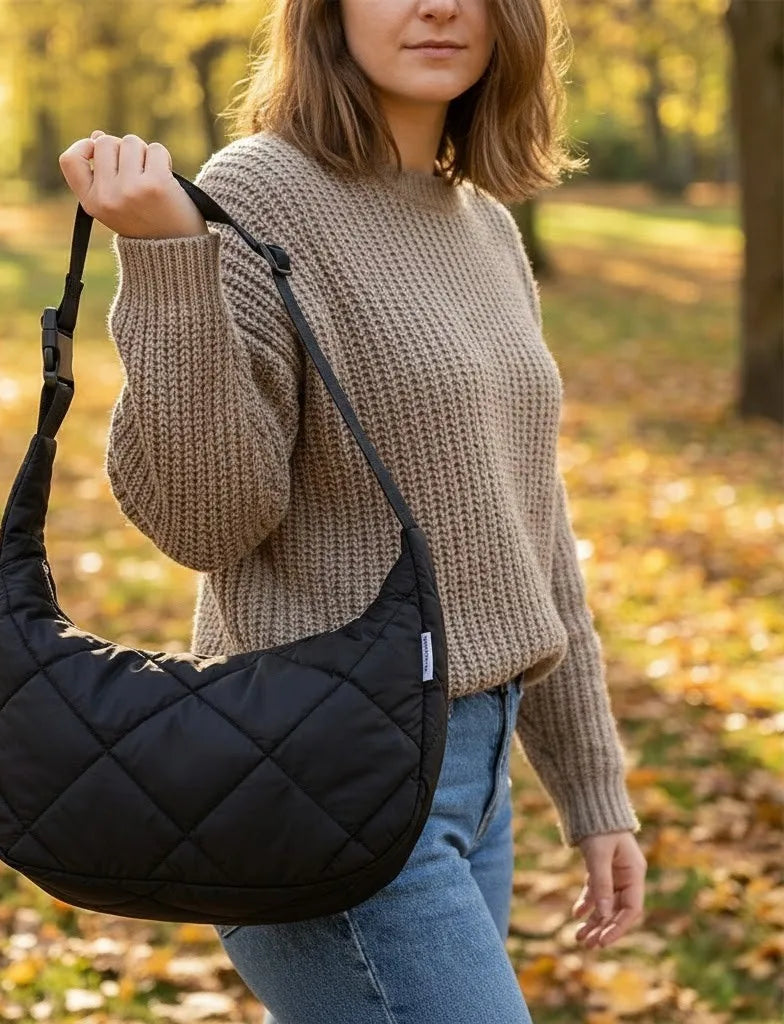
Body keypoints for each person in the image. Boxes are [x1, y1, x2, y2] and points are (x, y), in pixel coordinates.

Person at [58, 0, 647, 1019]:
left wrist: (592, 789)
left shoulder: (483, 224)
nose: (436, 5)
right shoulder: (253, 193)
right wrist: (164, 259)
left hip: (472, 769)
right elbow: (206, 523)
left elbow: (531, 531)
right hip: (323, 762)